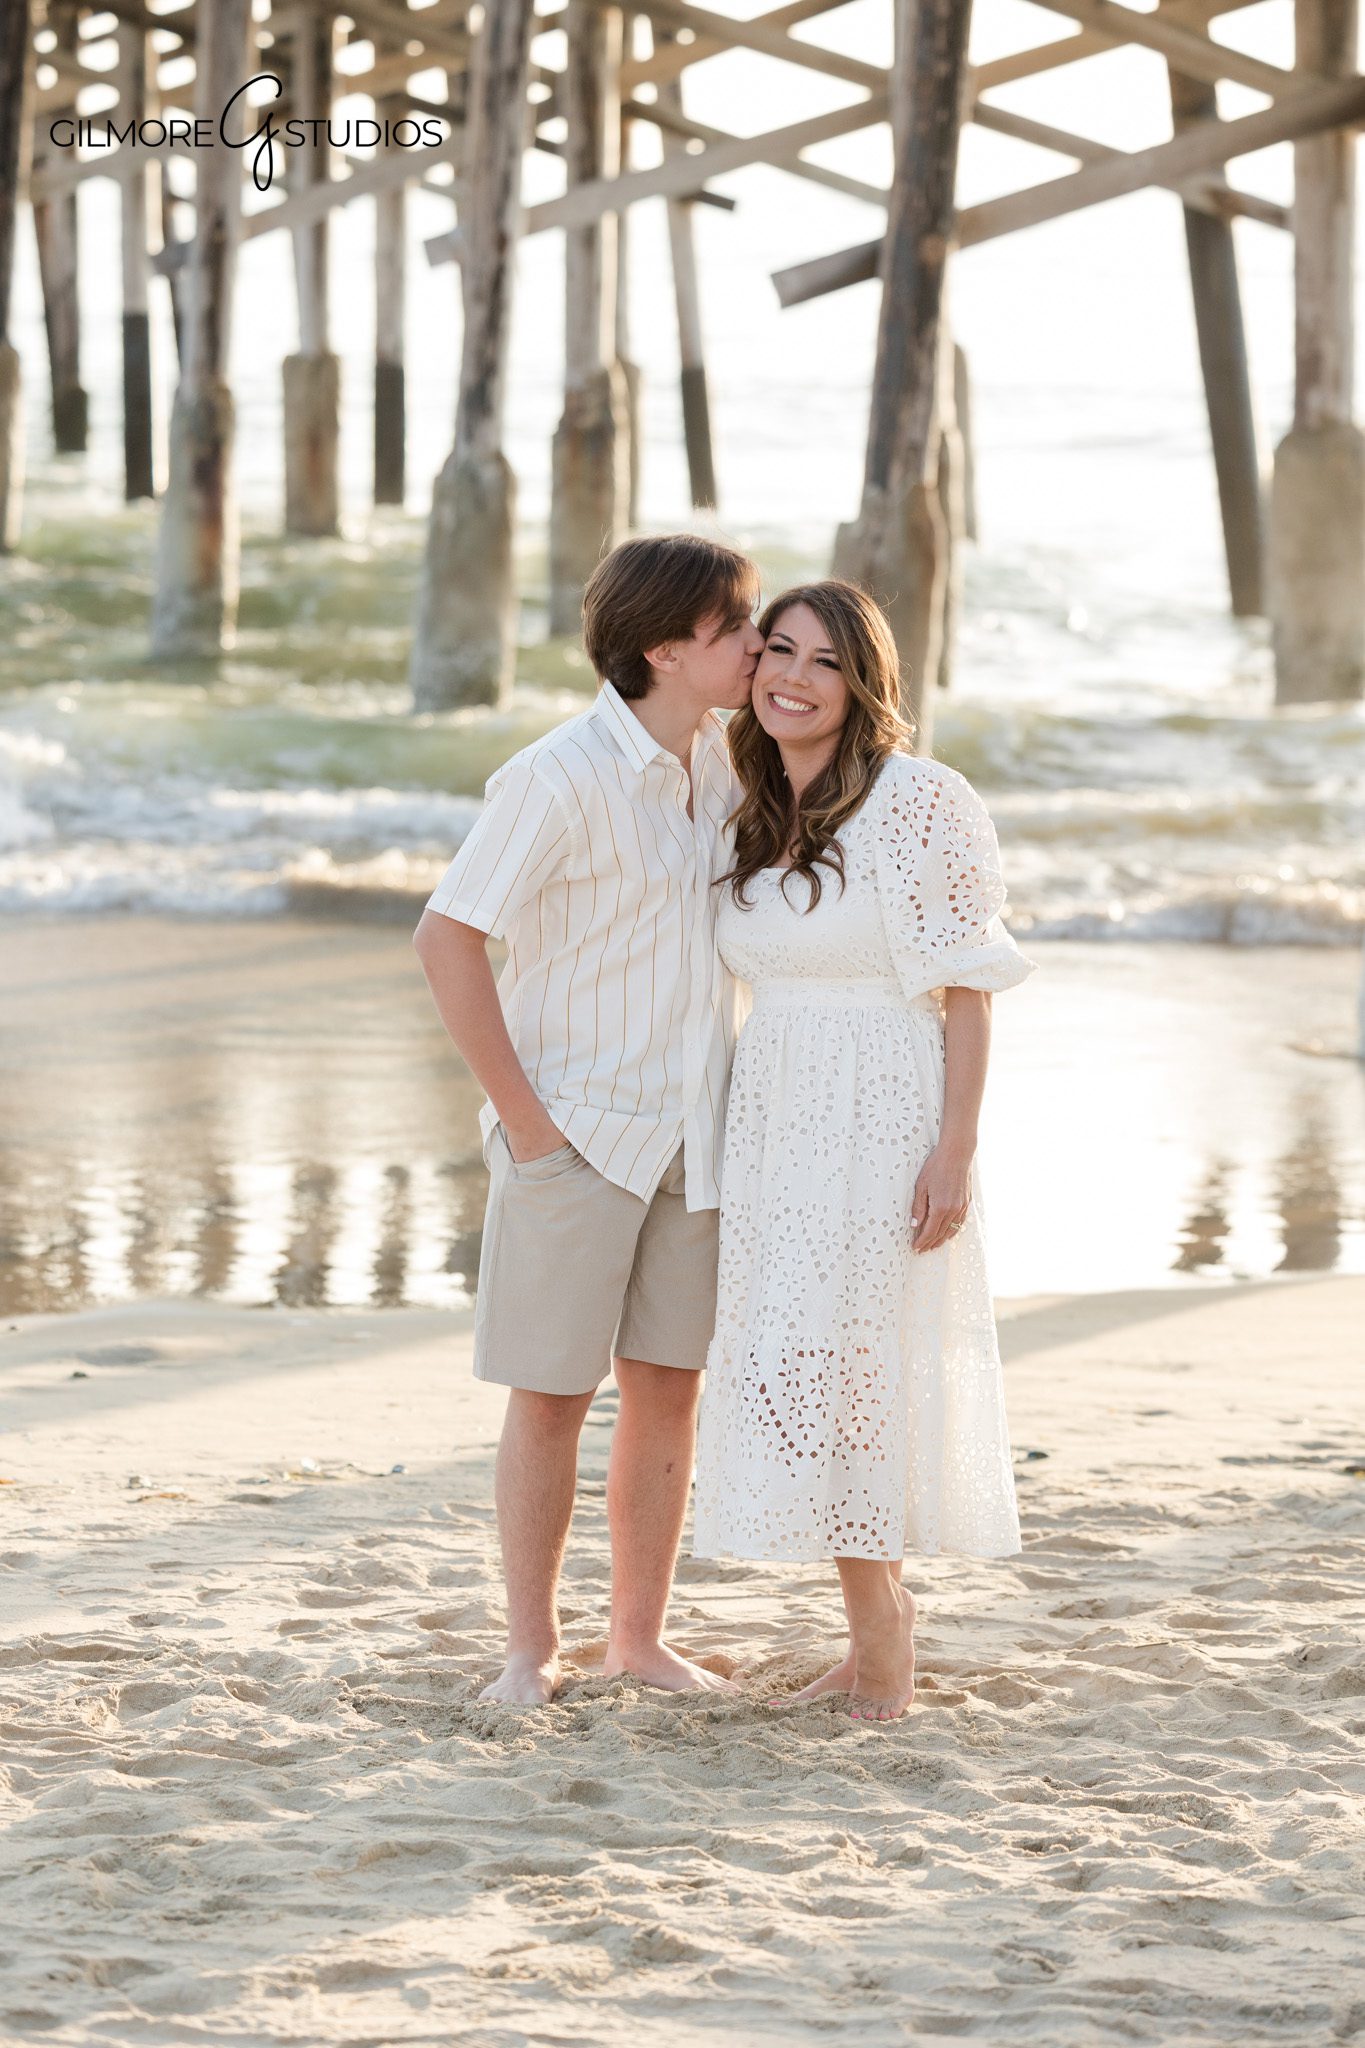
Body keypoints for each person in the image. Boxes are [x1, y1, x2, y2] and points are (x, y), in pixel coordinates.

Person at [413, 534, 764, 1706]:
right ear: (666, 648)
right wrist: (527, 1124)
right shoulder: (553, 776)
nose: (758, 642)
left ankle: (638, 1637)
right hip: (576, 1132)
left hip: (693, 1133)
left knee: (670, 1388)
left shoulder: (720, 763)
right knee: (552, 1396)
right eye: (735, 626)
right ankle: (530, 1648)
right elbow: (447, 935)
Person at [691, 579, 1035, 1724]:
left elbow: (973, 990)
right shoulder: (742, 798)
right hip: (776, 1109)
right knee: (809, 1365)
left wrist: (958, 1148)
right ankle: (868, 1626)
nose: (792, 676)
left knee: (863, 1368)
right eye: (776, 650)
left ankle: (886, 1641)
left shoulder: (922, 798)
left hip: (886, 1106)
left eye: (824, 661)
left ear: (864, 680)